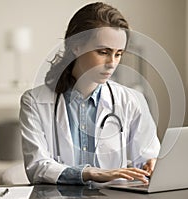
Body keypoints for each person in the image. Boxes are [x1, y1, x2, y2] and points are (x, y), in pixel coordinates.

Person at [20, 2, 160, 185]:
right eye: (103, 52)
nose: (112, 63)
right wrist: (89, 173)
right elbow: (37, 167)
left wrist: (152, 164)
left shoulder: (132, 100)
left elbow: (148, 157)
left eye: (118, 54)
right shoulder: (34, 102)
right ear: (76, 47)